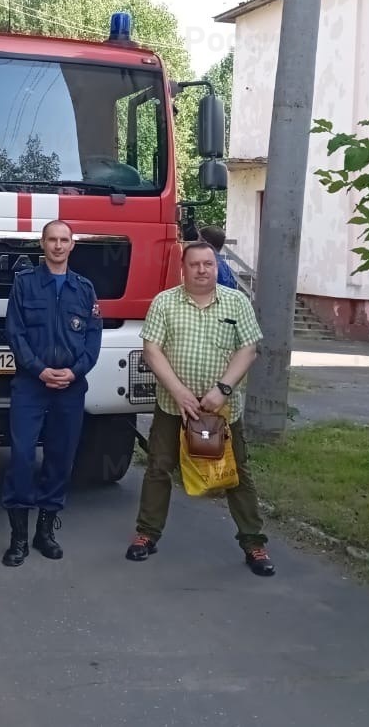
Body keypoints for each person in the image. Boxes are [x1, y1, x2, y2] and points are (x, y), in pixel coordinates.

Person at [124, 240, 275, 576]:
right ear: (184, 267)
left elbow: (248, 350)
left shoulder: (236, 302)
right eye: (195, 264)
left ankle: (254, 543)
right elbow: (152, 350)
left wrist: (222, 390)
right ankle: (146, 535)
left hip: (221, 411)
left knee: (236, 475)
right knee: (158, 469)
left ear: (216, 266)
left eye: (208, 264)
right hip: (172, 408)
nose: (202, 270)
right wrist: (178, 392)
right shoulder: (165, 302)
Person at [0, 219, 103, 566]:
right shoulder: (25, 284)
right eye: (52, 240)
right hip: (31, 384)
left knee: (60, 458)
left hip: (70, 388)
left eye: (64, 240)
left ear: (72, 245)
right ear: (42, 245)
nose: (58, 246)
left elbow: (92, 339)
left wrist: (73, 372)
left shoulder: (85, 289)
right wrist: (39, 369)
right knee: (22, 456)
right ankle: (18, 538)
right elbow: (15, 332)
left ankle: (45, 530)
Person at [198, 225, 239, 290]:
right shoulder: (223, 265)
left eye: (198, 240)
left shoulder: (207, 265)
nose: (195, 243)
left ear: (204, 243)